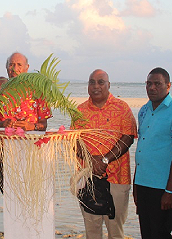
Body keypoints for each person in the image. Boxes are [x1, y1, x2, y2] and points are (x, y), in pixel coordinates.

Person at [71, 69, 137, 239]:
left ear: (109, 85)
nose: (96, 86)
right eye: (91, 82)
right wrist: (90, 159)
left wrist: (105, 159)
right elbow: (73, 141)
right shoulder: (80, 111)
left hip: (117, 179)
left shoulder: (122, 108)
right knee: (92, 231)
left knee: (115, 231)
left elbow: (128, 137)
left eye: (101, 82)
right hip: (88, 179)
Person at [134, 67, 172, 239]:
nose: (152, 88)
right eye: (148, 84)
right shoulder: (143, 110)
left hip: (163, 188)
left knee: (161, 233)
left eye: (157, 84)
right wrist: (136, 184)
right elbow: (141, 148)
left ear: (168, 86)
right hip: (143, 184)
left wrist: (170, 191)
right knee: (146, 232)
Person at [0, 52, 51, 131]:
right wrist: (1, 124)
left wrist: (32, 126)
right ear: (6, 67)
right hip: (2, 140)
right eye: (11, 65)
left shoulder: (38, 93)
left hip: (30, 141)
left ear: (27, 67)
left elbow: (43, 125)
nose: (15, 69)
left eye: (19, 65)